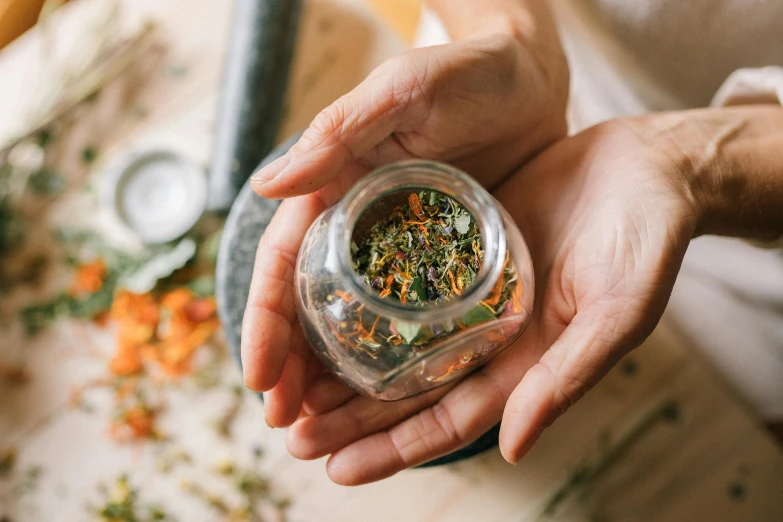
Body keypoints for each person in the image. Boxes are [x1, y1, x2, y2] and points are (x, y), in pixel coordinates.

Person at [240, 0, 783, 485]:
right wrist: (512, 35)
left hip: (753, 219)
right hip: (472, 122)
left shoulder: (505, 268)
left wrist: (690, 164)